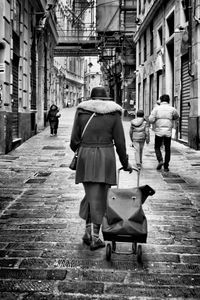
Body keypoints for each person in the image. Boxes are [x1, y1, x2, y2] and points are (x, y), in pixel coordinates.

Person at [70, 86, 132, 251]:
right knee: (99, 197)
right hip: (105, 157)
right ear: (106, 99)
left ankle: (88, 232)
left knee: (91, 195)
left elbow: (73, 141)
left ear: (91, 99)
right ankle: (95, 238)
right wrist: (125, 163)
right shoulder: (114, 114)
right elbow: (120, 143)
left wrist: (84, 150)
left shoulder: (82, 112)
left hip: (85, 157)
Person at [149, 94, 179, 172]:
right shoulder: (172, 109)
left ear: (161, 100)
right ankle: (166, 166)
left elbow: (151, 119)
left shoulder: (156, 109)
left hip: (158, 132)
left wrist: (155, 120)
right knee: (167, 149)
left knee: (157, 147)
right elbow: (176, 116)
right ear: (168, 100)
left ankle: (160, 160)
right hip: (168, 132)